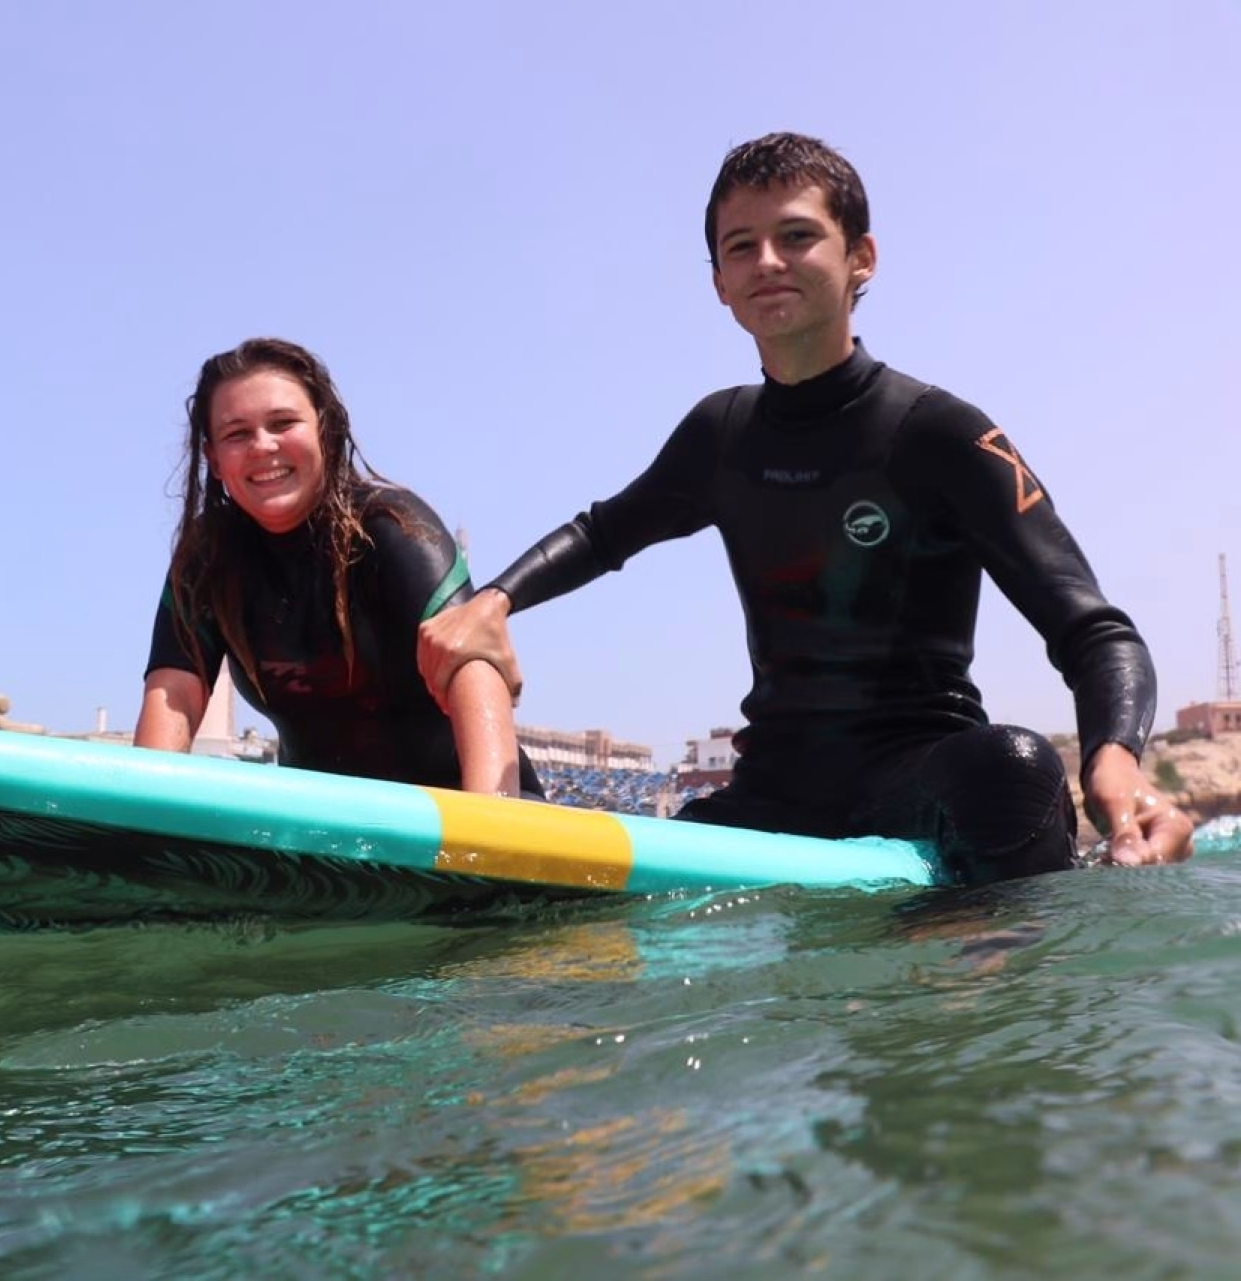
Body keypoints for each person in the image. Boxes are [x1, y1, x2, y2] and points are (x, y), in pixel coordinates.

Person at [417, 132, 1194, 883]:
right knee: (562, 862)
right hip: (774, 794)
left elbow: (1094, 630)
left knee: (1017, 763)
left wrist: (1113, 759)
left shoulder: (943, 434)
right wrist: (494, 601)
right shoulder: (719, 433)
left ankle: (975, 975)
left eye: (797, 235)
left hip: (918, 776)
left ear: (862, 257)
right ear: (718, 282)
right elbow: (603, 531)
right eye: (740, 246)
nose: (767, 262)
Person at [134, 337, 539, 796]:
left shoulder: (391, 527)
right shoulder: (208, 558)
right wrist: (142, 820)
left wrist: (483, 832)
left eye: (282, 423)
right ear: (213, 458)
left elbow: (473, 667)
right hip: (328, 822)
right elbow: (176, 694)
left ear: (324, 429)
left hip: (452, 801)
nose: (262, 446)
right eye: (237, 434)